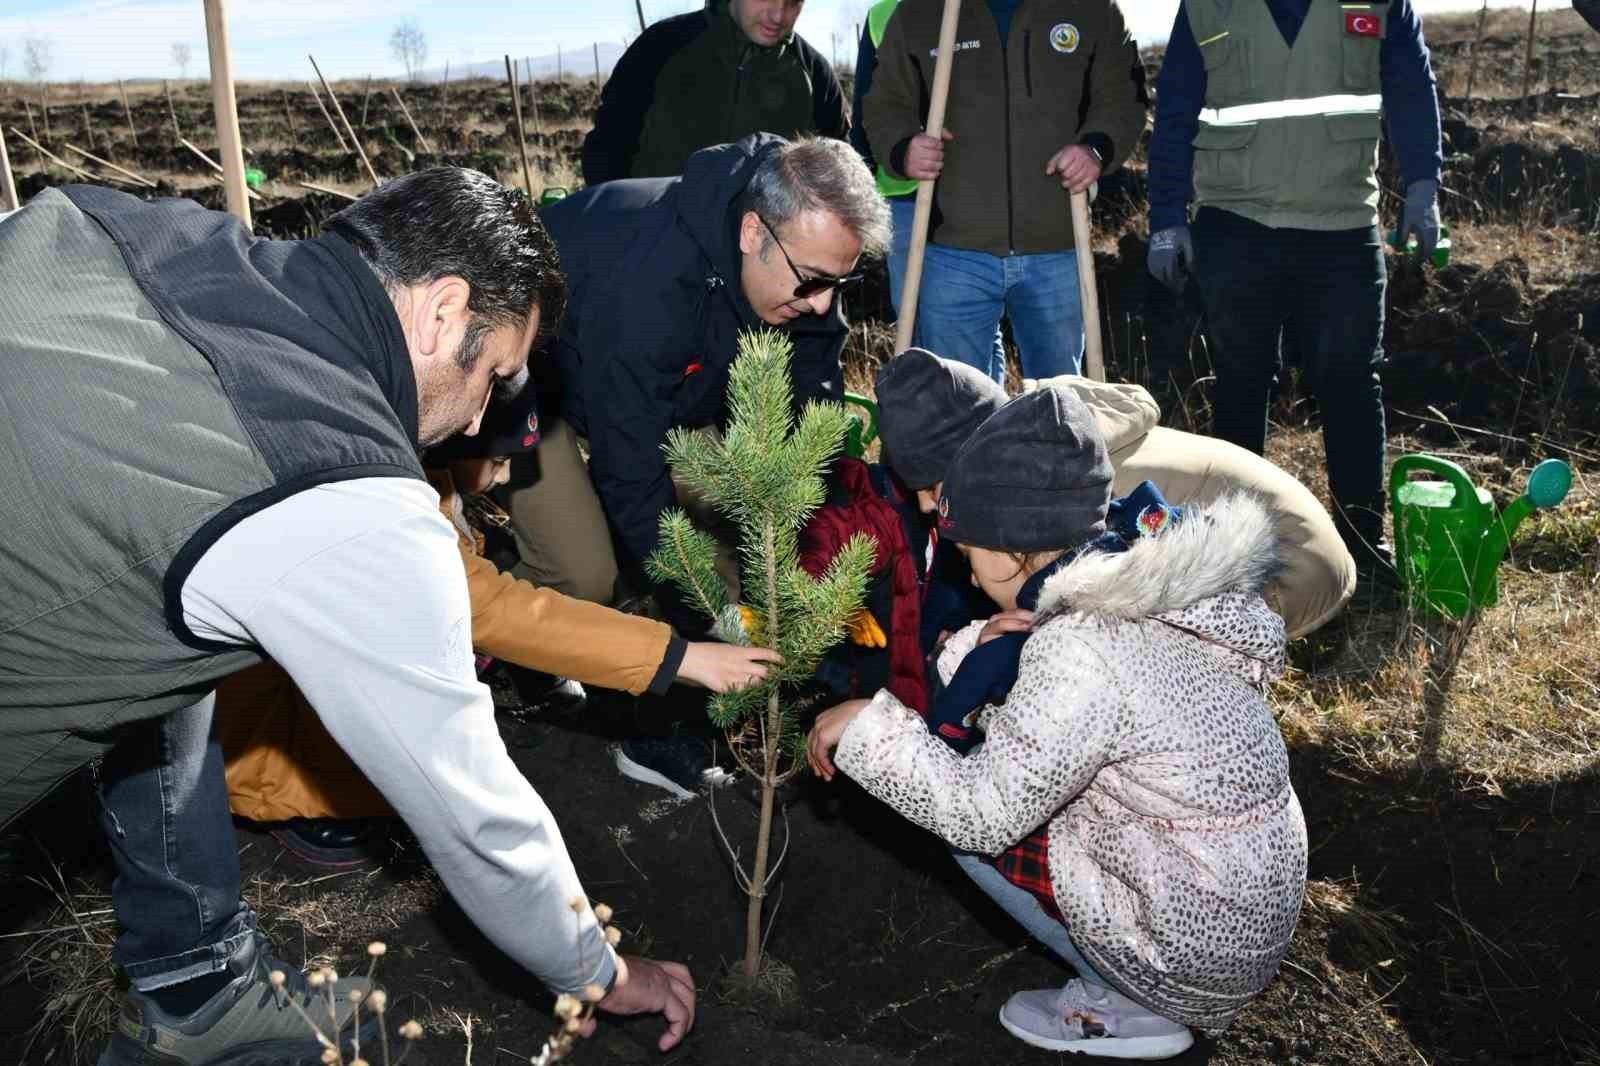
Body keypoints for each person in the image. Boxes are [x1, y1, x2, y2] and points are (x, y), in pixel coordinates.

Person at [0, 169, 694, 1065]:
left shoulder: (131, 226)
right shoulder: (340, 487)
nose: (482, 415)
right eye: (493, 377)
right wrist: (599, 970)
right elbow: (475, 816)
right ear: (444, 312)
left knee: (185, 655)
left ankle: (196, 986)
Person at [808, 386, 1308, 1059]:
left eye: (969, 547)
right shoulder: (1142, 577)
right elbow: (1070, 719)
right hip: (1240, 897)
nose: (965, 567)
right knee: (1010, 772)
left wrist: (869, 725)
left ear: (1014, 549)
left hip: (1191, 947)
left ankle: (1132, 1002)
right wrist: (971, 651)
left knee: (968, 830)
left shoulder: (1081, 648)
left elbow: (980, 812)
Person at [217, 384, 784, 863]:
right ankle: (296, 796)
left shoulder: (412, 459)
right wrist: (680, 658)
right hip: (249, 724)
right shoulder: (390, 508)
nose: (510, 471)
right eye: (500, 456)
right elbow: (489, 608)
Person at [503, 134, 889, 794]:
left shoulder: (801, 257)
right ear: (750, 233)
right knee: (583, 566)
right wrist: (707, 615)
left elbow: (808, 405)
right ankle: (531, 659)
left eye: (841, 282)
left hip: (663, 383)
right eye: (814, 282)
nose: (824, 302)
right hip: (531, 375)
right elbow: (631, 477)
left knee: (729, 528)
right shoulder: (647, 286)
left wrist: (815, 555)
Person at [1145, 0, 1444, 594]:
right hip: (1235, 223)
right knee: (1241, 379)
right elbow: (1175, 107)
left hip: (1340, 226)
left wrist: (1423, 185)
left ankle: (1364, 544)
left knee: (1352, 382)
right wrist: (1166, 218)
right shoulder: (1206, 6)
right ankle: (1236, 556)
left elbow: (1411, 84)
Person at [873, 350, 1355, 647]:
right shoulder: (1051, 444)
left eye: (933, 489)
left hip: (1282, 562)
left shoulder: (1062, 489)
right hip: (1278, 531)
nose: (926, 508)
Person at [863, 0, 1148, 381]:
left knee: (1062, 403)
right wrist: (903, 147)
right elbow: (885, 103)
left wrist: (1095, 149)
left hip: (1058, 244)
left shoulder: (1091, 8)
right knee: (961, 405)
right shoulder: (921, 11)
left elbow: (1122, 95)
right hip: (953, 250)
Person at [849, 0, 1005, 366]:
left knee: (976, 324)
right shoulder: (883, 14)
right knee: (914, 324)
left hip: (973, 196)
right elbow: (865, 115)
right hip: (904, 200)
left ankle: (986, 415)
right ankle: (932, 416)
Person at [581, 0, 847, 186]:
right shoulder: (662, 46)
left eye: (793, 2)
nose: (778, 15)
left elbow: (837, 168)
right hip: (654, 242)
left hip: (762, 254)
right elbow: (608, 146)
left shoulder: (814, 72)